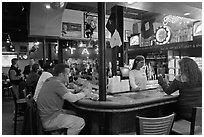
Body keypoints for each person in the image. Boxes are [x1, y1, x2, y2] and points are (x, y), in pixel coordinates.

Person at [37, 64, 91, 135]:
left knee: (74, 113)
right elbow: (72, 98)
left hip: (47, 115)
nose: (69, 76)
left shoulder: (51, 80)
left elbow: (63, 92)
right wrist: (85, 93)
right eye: (67, 74)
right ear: (62, 74)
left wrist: (76, 91)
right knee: (79, 122)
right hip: (50, 119)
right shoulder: (57, 84)